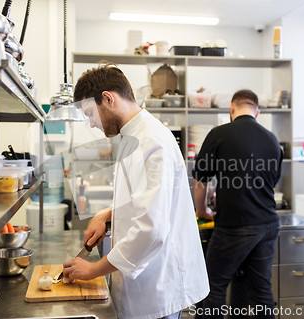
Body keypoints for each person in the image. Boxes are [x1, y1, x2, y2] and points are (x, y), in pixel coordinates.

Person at [62, 63, 209, 319]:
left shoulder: (151, 141)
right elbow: (144, 201)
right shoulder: (135, 136)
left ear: (107, 99)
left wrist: (94, 269)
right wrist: (107, 216)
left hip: (157, 289)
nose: (92, 124)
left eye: (89, 113)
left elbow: (151, 229)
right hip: (146, 286)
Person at [192, 89, 283, 319]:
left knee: (213, 287)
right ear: (257, 112)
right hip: (268, 225)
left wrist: (202, 210)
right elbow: (272, 182)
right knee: (261, 291)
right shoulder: (272, 140)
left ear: (231, 109)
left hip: (234, 226)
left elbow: (200, 179)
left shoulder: (220, 134)